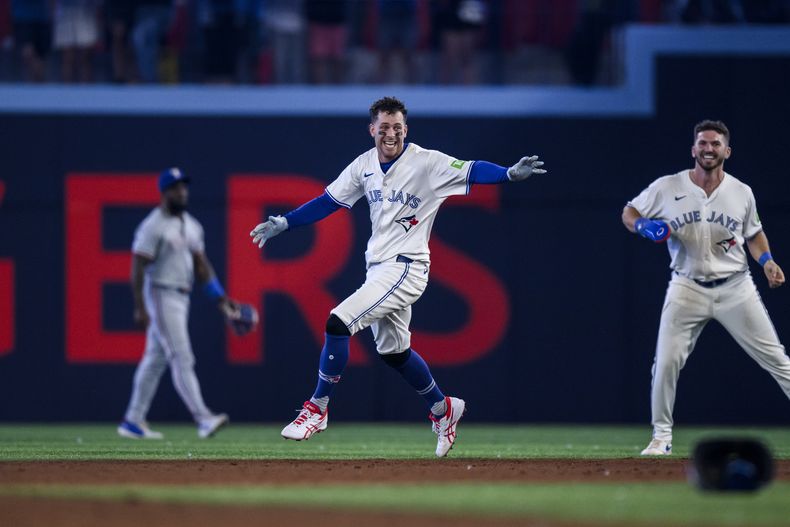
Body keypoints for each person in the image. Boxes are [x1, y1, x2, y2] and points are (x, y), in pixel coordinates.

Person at [249, 96, 546, 456]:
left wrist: (508, 173)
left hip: (407, 266)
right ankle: (443, 408)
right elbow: (329, 201)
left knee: (338, 322)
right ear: (372, 129)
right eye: (385, 127)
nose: (391, 134)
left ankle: (317, 408)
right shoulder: (364, 165)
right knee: (394, 353)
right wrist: (285, 222)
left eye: (397, 127)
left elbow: (470, 169)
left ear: (406, 130)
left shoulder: (426, 162)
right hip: (379, 268)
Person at [622, 120, 789, 456]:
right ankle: (661, 437)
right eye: (702, 143)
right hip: (687, 286)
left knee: (778, 360)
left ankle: (661, 436)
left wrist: (767, 260)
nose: (708, 148)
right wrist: (642, 225)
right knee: (666, 362)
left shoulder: (741, 192)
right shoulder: (668, 186)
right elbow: (629, 211)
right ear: (693, 149)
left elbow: (753, 233)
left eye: (715, 143)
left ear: (727, 151)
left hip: (736, 286)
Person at [118, 168, 236, 440]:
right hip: (160, 292)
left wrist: (219, 298)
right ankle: (203, 418)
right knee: (182, 356)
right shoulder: (153, 225)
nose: (181, 191)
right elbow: (138, 267)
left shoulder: (192, 225)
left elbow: (201, 266)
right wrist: (140, 306)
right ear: (164, 193)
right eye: (175, 187)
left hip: (182, 295)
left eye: (183, 186)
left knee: (155, 359)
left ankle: (133, 420)